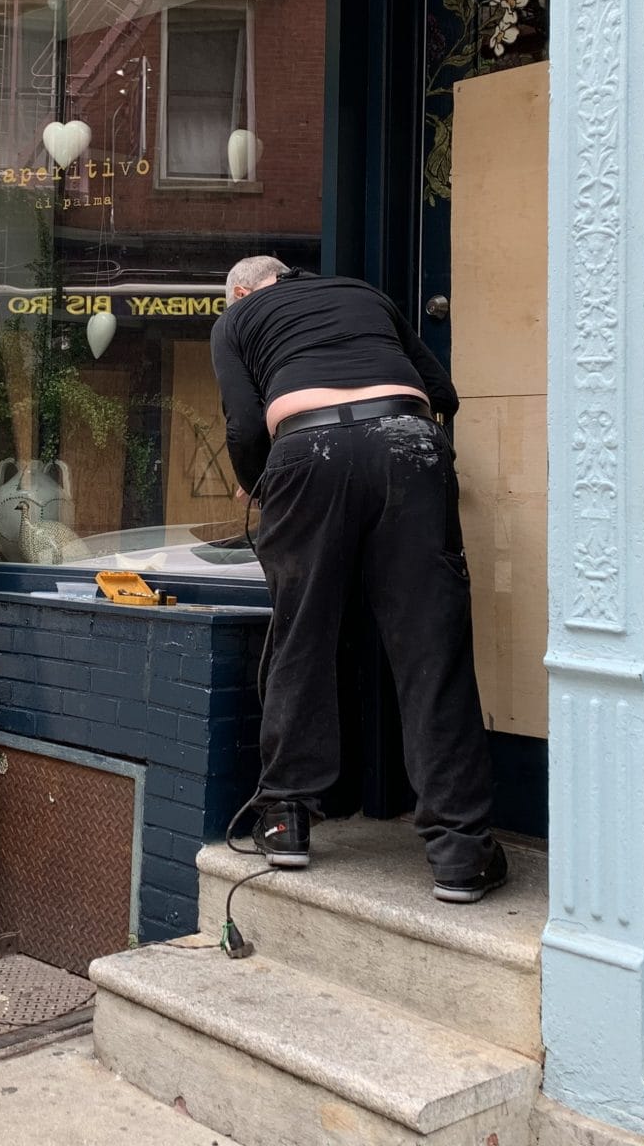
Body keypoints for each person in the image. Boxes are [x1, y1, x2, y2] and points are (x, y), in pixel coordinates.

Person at [210, 255, 504, 903]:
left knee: (301, 635)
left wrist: (265, 483)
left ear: (241, 291)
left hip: (306, 449)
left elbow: (240, 420)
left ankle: (285, 817)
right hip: (408, 440)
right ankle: (460, 853)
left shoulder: (237, 321)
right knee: (434, 645)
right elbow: (443, 394)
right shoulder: (363, 294)